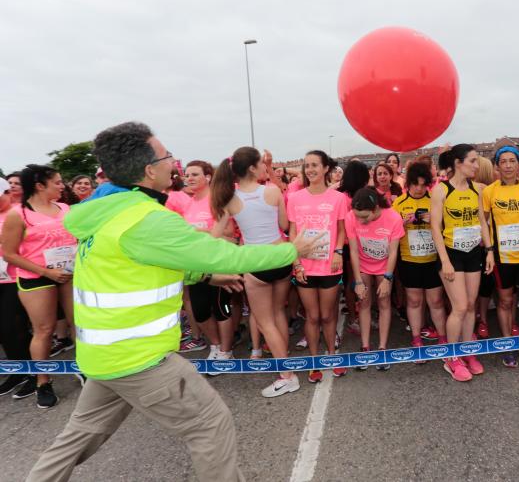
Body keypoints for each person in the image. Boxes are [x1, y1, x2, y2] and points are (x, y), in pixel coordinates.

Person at [25, 122, 320, 482]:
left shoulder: (108, 214)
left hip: (103, 356)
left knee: (75, 440)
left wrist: (204, 276)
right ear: (149, 170)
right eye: (166, 156)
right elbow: (222, 255)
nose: (173, 162)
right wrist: (292, 250)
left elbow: (135, 269)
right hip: (139, 358)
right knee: (210, 424)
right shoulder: (147, 219)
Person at [210, 147, 308, 396]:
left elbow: (215, 235)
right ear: (252, 168)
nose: (266, 166)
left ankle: (286, 375)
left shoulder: (230, 199)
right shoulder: (273, 190)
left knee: (266, 322)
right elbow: (284, 226)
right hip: (280, 258)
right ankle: (284, 367)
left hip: (256, 263)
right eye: (262, 163)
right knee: (277, 314)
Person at [2, 165, 78, 408]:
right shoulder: (18, 214)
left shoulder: (65, 208)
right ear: (39, 185)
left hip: (68, 273)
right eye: (57, 182)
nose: (62, 185)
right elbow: (8, 253)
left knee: (79, 322)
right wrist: (46, 272)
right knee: (44, 330)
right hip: (37, 277)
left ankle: (87, 369)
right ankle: (42, 382)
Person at [431, 144, 494, 382]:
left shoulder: (475, 190)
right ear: (458, 163)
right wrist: (445, 261)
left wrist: (489, 251)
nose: (477, 166)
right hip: (451, 253)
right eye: (473, 161)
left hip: (473, 253)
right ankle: (451, 356)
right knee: (459, 306)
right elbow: (435, 227)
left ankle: (467, 351)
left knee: (470, 305)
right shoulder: (442, 190)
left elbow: (482, 222)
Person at [287, 150, 348, 384]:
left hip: (330, 265)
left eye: (314, 165)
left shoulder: (338, 198)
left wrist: (338, 252)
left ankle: (332, 356)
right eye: (306, 165)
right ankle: (314, 361)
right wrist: (296, 263)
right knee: (312, 316)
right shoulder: (295, 198)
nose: (310, 169)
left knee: (328, 314)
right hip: (304, 267)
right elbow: (292, 232)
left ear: (325, 169)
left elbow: (341, 229)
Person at [482, 146, 519, 368]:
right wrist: (489, 251)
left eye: (512, 161)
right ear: (497, 166)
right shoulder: (489, 191)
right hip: (501, 256)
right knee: (506, 301)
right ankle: (508, 344)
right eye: (503, 161)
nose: (508, 165)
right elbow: (485, 223)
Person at [180, 160, 239, 375]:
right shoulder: (188, 203)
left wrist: (201, 233)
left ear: (208, 177)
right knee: (199, 310)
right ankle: (214, 345)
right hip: (195, 265)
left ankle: (226, 351)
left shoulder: (216, 201)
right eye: (187, 175)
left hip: (218, 264)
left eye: (195, 174)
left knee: (220, 308)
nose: (190, 178)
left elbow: (230, 235)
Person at [346, 187, 404, 369]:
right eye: (357, 217)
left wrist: (388, 278)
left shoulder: (393, 217)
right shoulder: (351, 217)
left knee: (384, 302)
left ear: (376, 208)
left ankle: (382, 347)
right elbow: (353, 251)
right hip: (363, 265)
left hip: (384, 266)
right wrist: (357, 281)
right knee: (363, 302)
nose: (360, 221)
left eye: (364, 217)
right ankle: (365, 347)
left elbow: (394, 251)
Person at [392, 162, 446, 353]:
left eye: (423, 185)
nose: (419, 189)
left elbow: (448, 226)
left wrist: (435, 220)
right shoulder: (398, 203)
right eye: (415, 184)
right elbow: (391, 234)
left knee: (436, 301)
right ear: (408, 184)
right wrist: (401, 224)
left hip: (433, 260)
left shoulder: (434, 200)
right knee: (414, 301)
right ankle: (416, 338)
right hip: (409, 261)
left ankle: (442, 338)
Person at [0, 177, 36, 399]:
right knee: (4, 331)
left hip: (15, 278)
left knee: (14, 328)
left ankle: (33, 374)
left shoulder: (19, 212)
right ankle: (16, 372)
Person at [338, 160, 372, 335]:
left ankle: (357, 315)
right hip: (354, 244)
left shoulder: (339, 194)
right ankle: (354, 317)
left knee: (355, 282)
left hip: (346, 244)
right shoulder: (357, 196)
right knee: (355, 281)